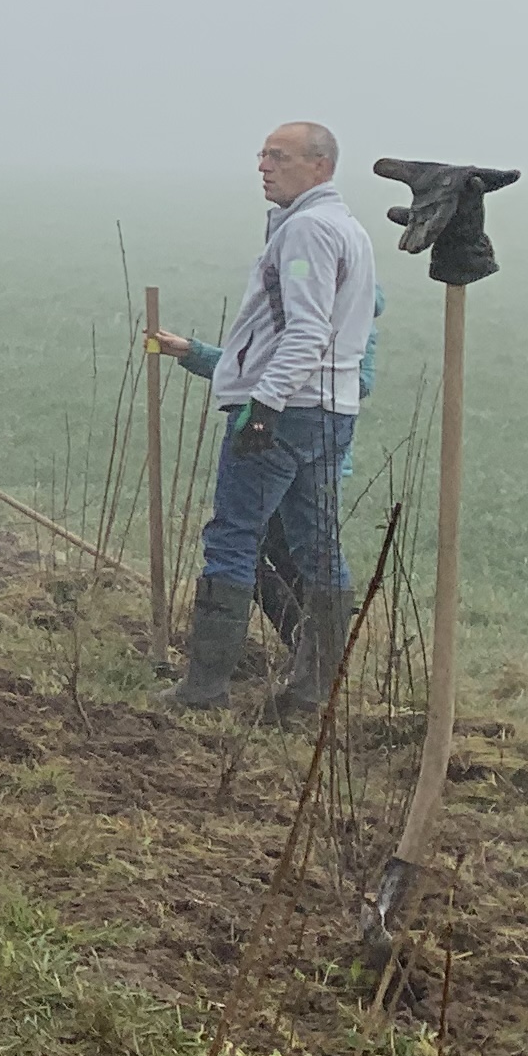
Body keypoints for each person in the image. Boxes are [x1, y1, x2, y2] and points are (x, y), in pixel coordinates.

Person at [145, 121, 379, 718]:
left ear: (320, 166)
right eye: (263, 154)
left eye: (279, 156)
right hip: (332, 410)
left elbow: (306, 331)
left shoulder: (306, 231)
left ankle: (203, 688)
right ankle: (308, 697)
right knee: (316, 545)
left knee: (233, 536)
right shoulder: (348, 229)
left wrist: (264, 404)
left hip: (286, 410)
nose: (263, 166)